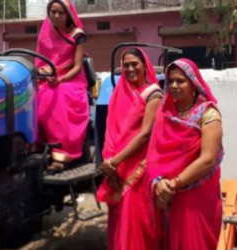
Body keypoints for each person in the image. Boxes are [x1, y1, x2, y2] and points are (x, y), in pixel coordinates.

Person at [143, 58, 224, 250]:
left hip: (197, 196)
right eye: (170, 81)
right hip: (167, 196)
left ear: (193, 83)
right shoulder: (164, 114)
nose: (174, 85)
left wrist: (174, 183)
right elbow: (154, 154)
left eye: (180, 81)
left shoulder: (208, 114)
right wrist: (158, 182)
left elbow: (207, 160)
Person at [96, 47, 162, 250]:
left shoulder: (154, 94)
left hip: (139, 167)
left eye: (135, 64)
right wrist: (107, 161)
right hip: (116, 167)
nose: (131, 68)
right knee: (119, 219)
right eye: (126, 65)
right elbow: (111, 129)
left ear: (144, 66)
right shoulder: (119, 93)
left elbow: (144, 135)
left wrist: (114, 161)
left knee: (138, 221)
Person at [35, 0, 89, 171]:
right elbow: (40, 63)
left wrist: (59, 80)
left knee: (54, 95)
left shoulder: (77, 35)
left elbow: (77, 67)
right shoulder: (46, 34)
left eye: (61, 12)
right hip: (47, 77)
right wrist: (45, 76)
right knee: (30, 94)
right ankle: (32, 147)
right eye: (53, 12)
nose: (56, 16)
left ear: (68, 15)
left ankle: (61, 153)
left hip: (71, 79)